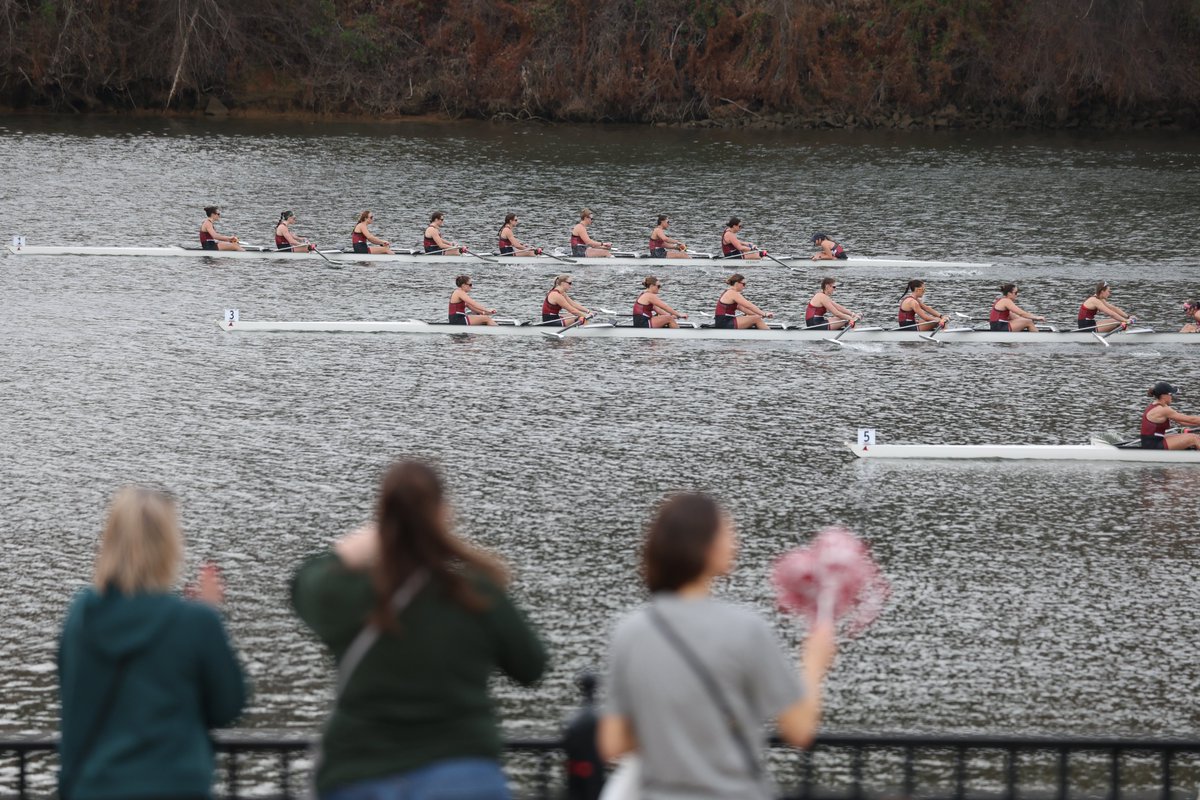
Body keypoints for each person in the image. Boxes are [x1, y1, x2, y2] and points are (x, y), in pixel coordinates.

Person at [291, 461, 547, 800]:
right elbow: (531, 666)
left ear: (382, 521)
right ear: (443, 515)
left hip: (362, 773)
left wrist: (353, 547)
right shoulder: (476, 595)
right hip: (462, 775)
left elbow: (301, 583)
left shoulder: (349, 596)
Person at [597, 493, 836, 800]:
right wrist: (814, 663)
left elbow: (612, 743)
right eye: (728, 532)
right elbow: (800, 729)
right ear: (706, 548)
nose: (735, 542)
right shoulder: (746, 630)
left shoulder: (630, 632)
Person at [58, 487, 247, 800]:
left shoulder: (82, 614)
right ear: (169, 545)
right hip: (175, 785)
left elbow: (72, 697)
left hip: (96, 787)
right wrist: (209, 615)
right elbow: (228, 707)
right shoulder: (196, 622)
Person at [1140, 382, 1200, 450]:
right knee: (1193, 438)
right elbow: (1191, 420)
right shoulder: (1162, 410)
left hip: (1155, 440)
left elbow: (1182, 422)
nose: (1172, 397)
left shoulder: (1161, 406)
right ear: (1163, 396)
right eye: (1170, 394)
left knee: (1194, 436)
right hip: (1153, 445)